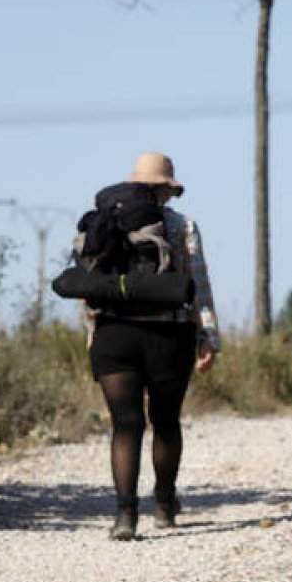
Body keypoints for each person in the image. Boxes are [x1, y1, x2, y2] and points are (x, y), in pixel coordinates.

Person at [87, 152, 220, 541]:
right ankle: (164, 503)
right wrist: (208, 336)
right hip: (167, 336)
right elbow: (199, 283)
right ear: (166, 188)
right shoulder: (182, 226)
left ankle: (125, 515)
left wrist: (95, 333)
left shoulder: (103, 220)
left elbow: (89, 285)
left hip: (114, 336)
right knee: (165, 421)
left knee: (125, 426)